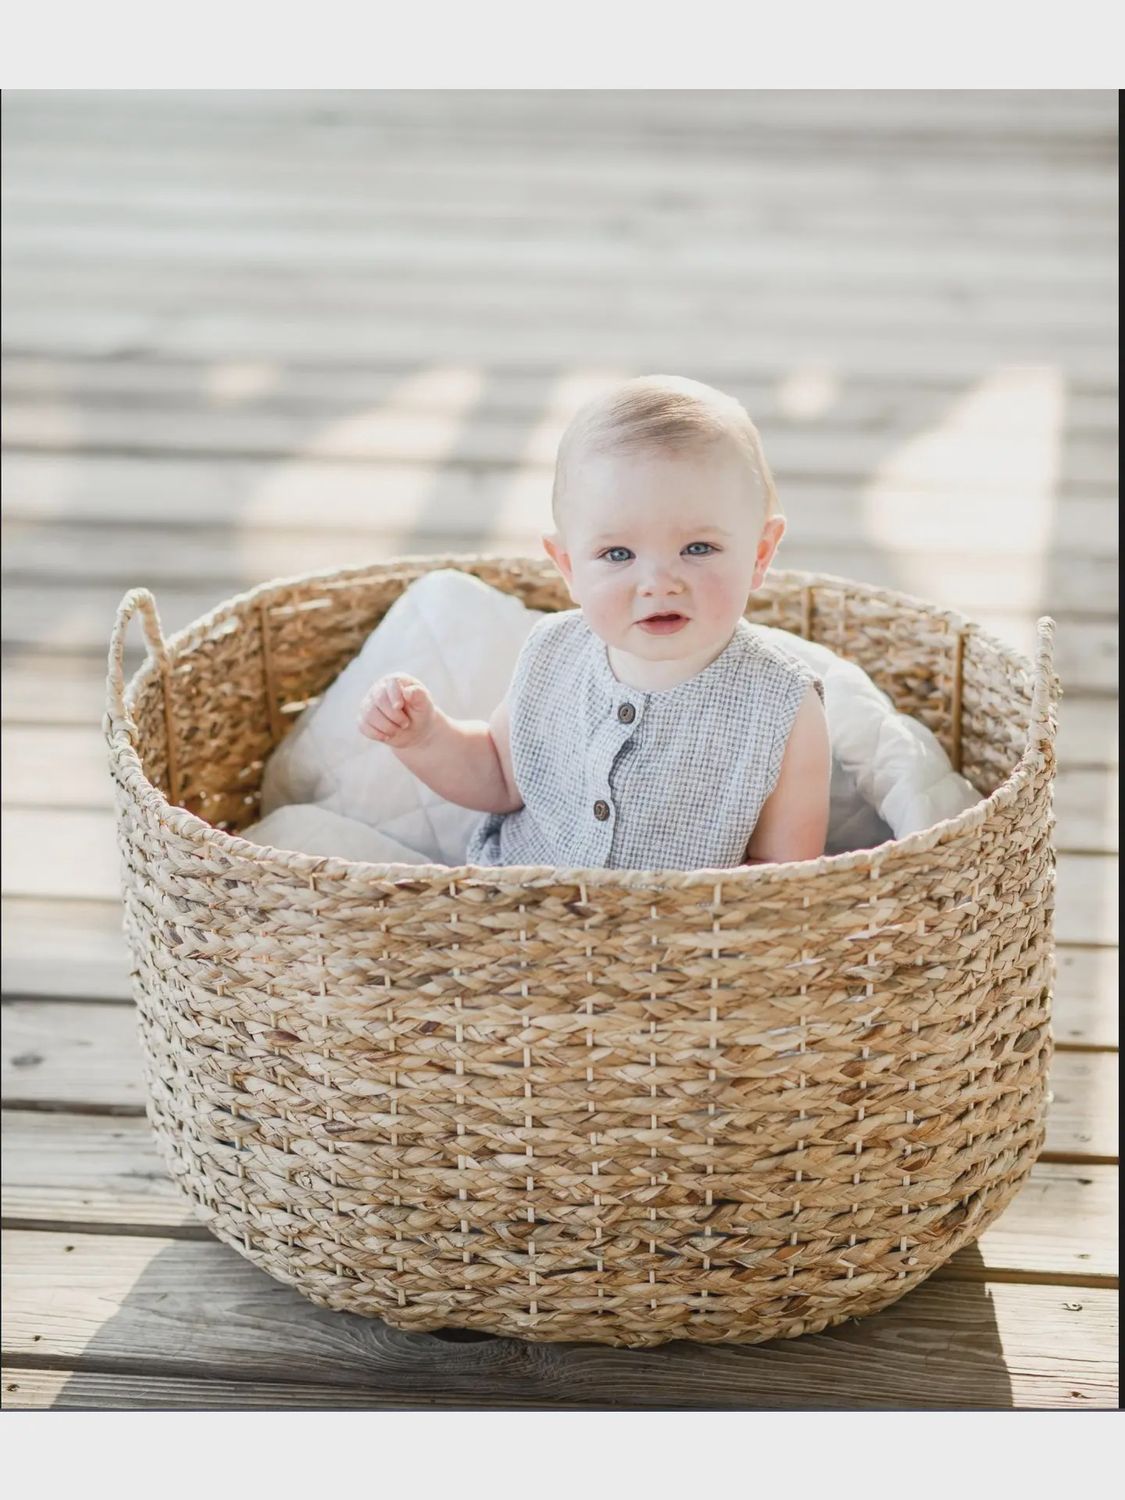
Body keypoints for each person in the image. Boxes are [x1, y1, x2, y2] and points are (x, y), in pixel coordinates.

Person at [358, 374, 831, 870]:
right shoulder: (554, 652)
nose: (659, 583)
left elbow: (783, 881)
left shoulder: (782, 706)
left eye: (698, 548)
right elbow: (500, 776)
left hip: (677, 939)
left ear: (760, 555)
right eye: (617, 553)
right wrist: (425, 737)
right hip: (508, 913)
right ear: (568, 566)